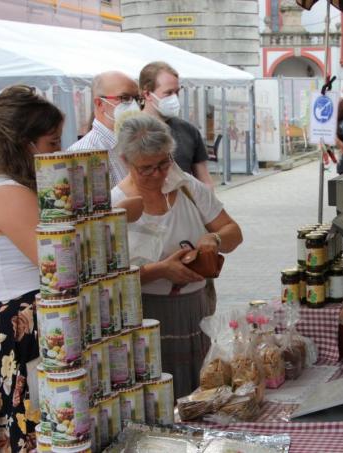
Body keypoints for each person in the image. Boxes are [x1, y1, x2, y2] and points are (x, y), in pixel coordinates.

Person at [0, 85, 64, 452]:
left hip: (17, 329)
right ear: (24, 143)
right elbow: (61, 265)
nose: (59, 152)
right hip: (23, 333)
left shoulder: (0, 188)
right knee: (32, 433)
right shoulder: (8, 193)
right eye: (52, 143)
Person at [110, 114, 243, 397]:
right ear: (125, 161)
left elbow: (234, 232)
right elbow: (107, 280)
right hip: (144, 315)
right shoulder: (114, 205)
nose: (158, 174)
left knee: (199, 391)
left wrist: (214, 238)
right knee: (156, 396)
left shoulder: (186, 187)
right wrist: (160, 270)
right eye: (146, 168)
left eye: (164, 162)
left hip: (195, 309)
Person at [138, 61, 215, 189]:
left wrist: (207, 205)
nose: (174, 98)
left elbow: (205, 181)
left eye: (177, 92)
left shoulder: (189, 131)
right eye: (168, 93)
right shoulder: (131, 131)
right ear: (147, 94)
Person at [68, 70, 141, 188]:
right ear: (99, 104)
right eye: (125, 98)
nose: (134, 106)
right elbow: (93, 206)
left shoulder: (137, 142)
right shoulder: (85, 152)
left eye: (137, 99)